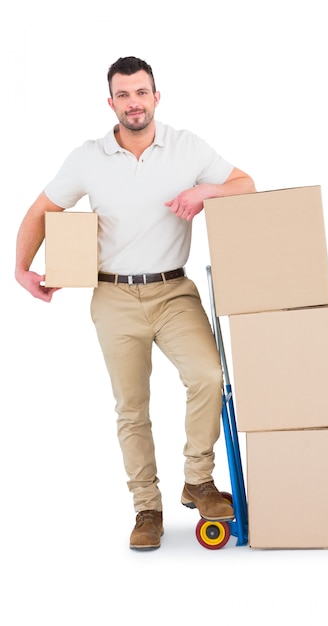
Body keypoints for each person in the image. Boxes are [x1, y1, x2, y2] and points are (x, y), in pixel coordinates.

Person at [15, 56, 256, 550]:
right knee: (132, 408)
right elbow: (42, 209)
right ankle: (146, 508)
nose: (134, 103)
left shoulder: (186, 146)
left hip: (173, 291)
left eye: (141, 92)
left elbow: (245, 185)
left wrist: (205, 191)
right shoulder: (88, 157)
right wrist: (21, 269)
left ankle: (198, 480)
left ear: (156, 97)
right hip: (114, 296)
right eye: (123, 95)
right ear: (111, 103)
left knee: (208, 376)